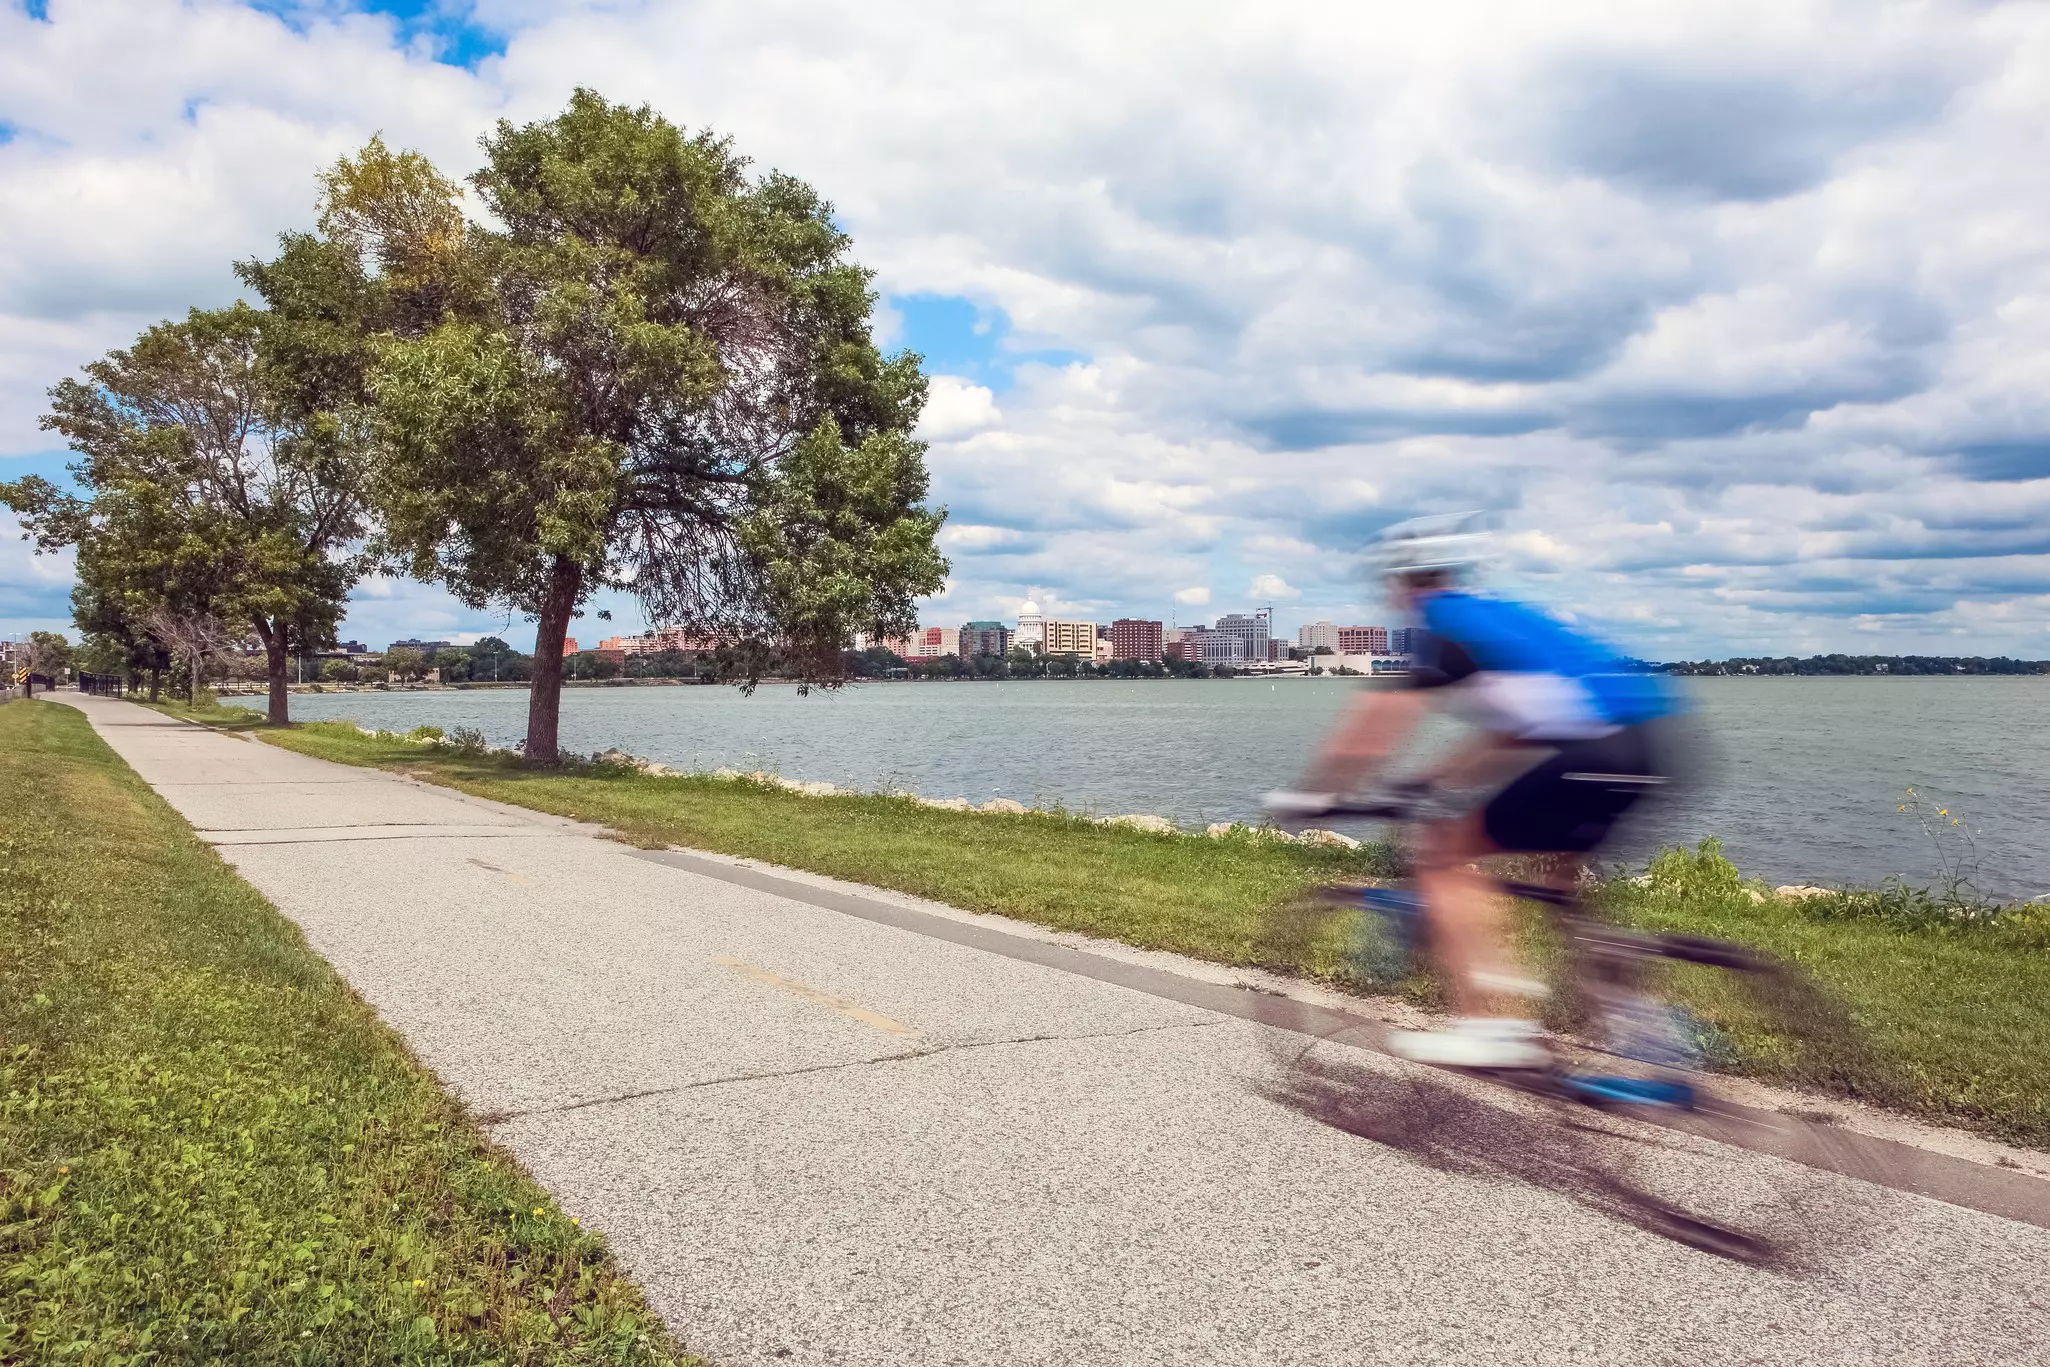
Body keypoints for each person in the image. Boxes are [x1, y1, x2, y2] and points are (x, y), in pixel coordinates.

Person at [1266, 513, 1683, 1068]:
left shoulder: (1443, 627)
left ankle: (1495, 1027)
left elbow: (1369, 735)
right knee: (1561, 883)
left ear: (1402, 583)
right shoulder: (1497, 620)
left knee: (1442, 854)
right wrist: (1435, 782)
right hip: (1653, 747)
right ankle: (1640, 1025)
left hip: (1597, 754)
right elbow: (1511, 732)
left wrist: (1312, 796)